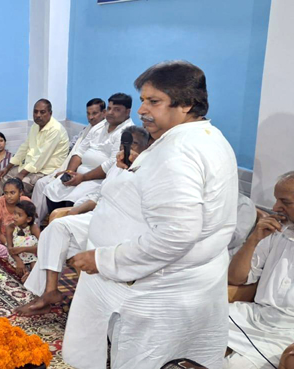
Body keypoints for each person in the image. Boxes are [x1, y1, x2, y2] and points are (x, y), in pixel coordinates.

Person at [63, 61, 237, 369]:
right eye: (142, 99)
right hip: (181, 284)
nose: (142, 109)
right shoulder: (205, 137)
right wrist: (134, 168)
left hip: (161, 290)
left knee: (147, 361)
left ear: (186, 104)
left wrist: (102, 260)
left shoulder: (178, 152)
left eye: (153, 101)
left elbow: (176, 234)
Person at [225, 172, 294, 369]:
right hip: (251, 315)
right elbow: (235, 277)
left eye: (285, 202)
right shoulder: (277, 232)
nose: (275, 208)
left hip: (285, 333)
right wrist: (254, 239)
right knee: (189, 325)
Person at [35, 93, 135, 223]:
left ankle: (64, 232)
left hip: (97, 179)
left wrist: (83, 177)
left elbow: (111, 164)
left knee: (73, 200)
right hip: (79, 174)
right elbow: (79, 151)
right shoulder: (100, 126)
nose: (110, 113)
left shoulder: (127, 132)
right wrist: (69, 172)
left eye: (116, 110)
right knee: (53, 187)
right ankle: (51, 225)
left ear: (128, 111)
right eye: (109, 108)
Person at [30, 98, 107, 220]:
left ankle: (42, 222)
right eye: (88, 113)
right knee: (41, 184)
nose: (90, 117)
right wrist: (68, 171)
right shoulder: (88, 128)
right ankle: (34, 223)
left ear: (104, 113)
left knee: (52, 187)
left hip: (87, 175)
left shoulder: (105, 131)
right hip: (69, 166)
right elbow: (76, 151)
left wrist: (72, 173)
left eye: (94, 113)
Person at [2, 99, 69, 197]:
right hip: (31, 167)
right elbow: (24, 147)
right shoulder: (35, 126)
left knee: (17, 186)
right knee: (5, 177)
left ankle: (18, 211)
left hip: (46, 171)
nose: (38, 115)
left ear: (50, 113)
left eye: (42, 112)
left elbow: (41, 157)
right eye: (35, 111)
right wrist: (8, 167)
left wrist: (22, 174)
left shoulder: (55, 130)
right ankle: (1, 208)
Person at [0, 178, 32, 261]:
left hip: (21, 236)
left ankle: (17, 254)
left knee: (34, 246)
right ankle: (17, 255)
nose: (8, 196)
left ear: (21, 193)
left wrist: (20, 243)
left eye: (12, 193)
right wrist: (10, 246)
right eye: (6, 193)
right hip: (2, 235)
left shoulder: (26, 202)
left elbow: (31, 227)